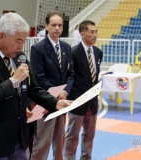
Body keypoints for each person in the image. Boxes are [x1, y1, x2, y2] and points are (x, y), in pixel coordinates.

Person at [0, 12, 71, 160]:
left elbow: (32, 88)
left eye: (23, 41)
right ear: (1, 35)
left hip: (19, 139)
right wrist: (14, 80)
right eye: (18, 41)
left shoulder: (19, 57)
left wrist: (55, 102)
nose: (21, 46)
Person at [30, 11, 74, 160]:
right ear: (47, 26)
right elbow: (38, 77)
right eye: (53, 25)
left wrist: (65, 92)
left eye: (60, 25)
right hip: (44, 101)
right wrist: (58, 92)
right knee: (42, 141)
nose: (57, 28)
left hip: (62, 100)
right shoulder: (38, 48)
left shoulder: (67, 48)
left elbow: (71, 74)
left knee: (59, 140)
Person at [63, 20, 103, 160]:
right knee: (72, 136)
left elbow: (94, 76)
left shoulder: (98, 52)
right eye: (92, 32)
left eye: (96, 32)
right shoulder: (73, 52)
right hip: (77, 99)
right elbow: (69, 77)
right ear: (82, 34)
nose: (95, 35)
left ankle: (86, 157)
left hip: (93, 101)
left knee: (89, 135)